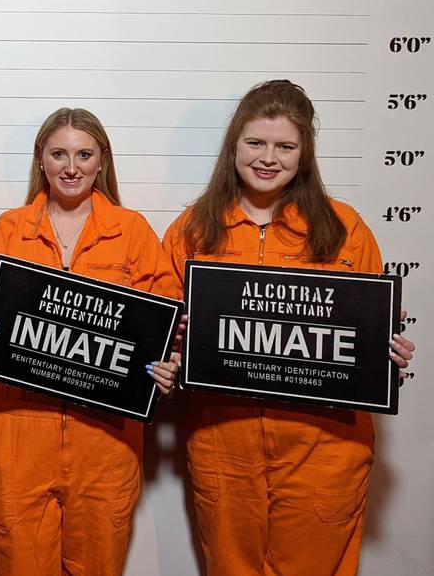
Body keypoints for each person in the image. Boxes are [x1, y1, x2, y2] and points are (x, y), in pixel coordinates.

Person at [161, 79, 416, 576]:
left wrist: (389, 359)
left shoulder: (345, 229)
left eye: (285, 146)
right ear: (233, 145)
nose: (268, 158)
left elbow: (369, 337)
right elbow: (162, 333)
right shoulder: (191, 230)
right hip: (223, 447)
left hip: (325, 450)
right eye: (256, 143)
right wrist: (172, 346)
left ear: (305, 153)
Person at [0, 107, 180, 576]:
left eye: (84, 154)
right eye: (58, 153)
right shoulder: (10, 228)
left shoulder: (134, 231)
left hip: (105, 442)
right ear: (41, 159)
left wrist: (169, 363)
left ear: (102, 162)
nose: (71, 166)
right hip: (16, 430)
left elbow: (167, 323)